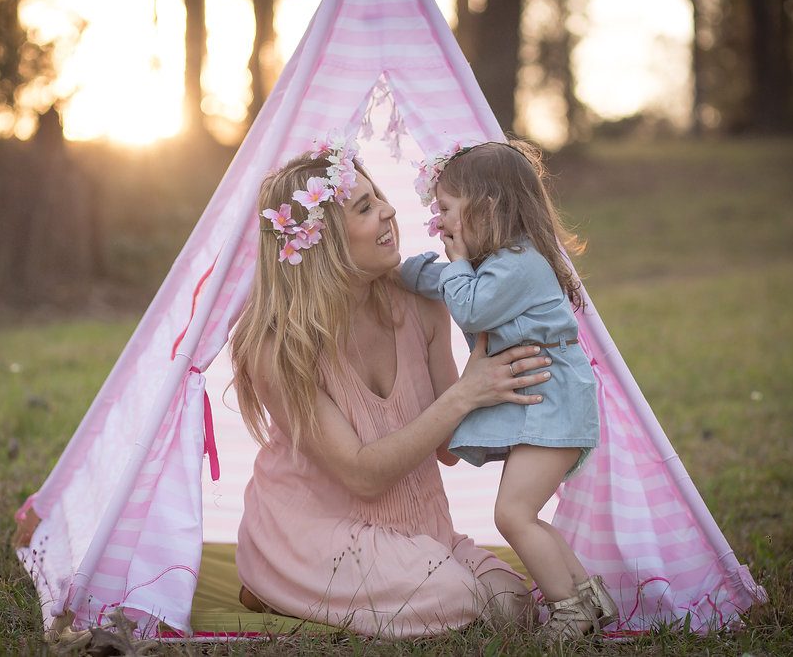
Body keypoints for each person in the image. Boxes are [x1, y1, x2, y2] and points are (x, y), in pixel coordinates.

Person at [229, 133, 552, 639]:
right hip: (314, 532)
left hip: (421, 527)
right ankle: (275, 580)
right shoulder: (279, 348)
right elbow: (362, 476)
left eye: (379, 196)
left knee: (513, 606)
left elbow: (448, 447)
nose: (388, 212)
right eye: (365, 207)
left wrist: (521, 399)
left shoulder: (420, 303)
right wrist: (466, 393)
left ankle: (373, 585)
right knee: (460, 599)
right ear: (325, 240)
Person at [400, 139, 619, 639]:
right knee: (526, 515)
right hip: (549, 404)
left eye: (447, 210)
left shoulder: (521, 262)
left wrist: (453, 263)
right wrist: (402, 272)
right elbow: (453, 286)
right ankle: (589, 601)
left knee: (512, 514)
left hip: (555, 403)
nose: (441, 224)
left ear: (488, 206)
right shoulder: (503, 261)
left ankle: (570, 613)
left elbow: (471, 306)